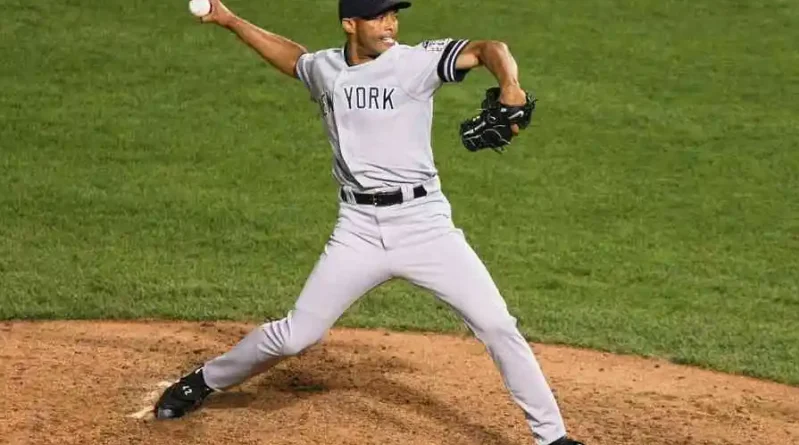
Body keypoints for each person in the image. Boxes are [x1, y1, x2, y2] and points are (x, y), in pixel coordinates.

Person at [154, 0, 585, 444]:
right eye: (379, 16)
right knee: (294, 337)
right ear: (349, 24)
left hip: (424, 226)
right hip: (357, 228)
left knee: (497, 325)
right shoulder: (326, 69)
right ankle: (203, 381)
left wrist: (510, 85)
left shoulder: (415, 63)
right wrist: (230, 21)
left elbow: (489, 48)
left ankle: (552, 437)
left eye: (394, 15)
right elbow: (296, 61)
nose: (391, 24)